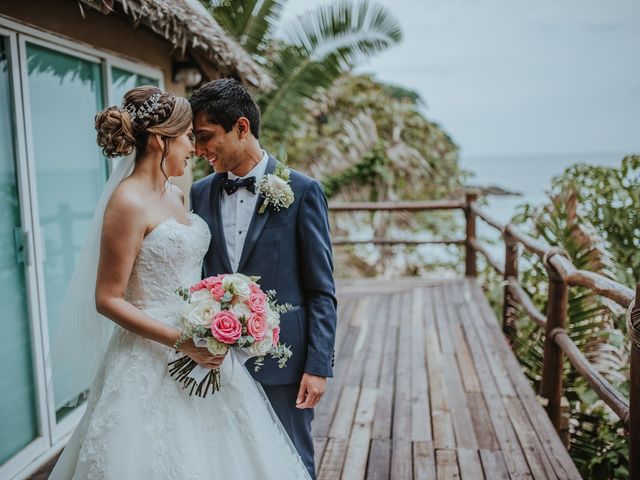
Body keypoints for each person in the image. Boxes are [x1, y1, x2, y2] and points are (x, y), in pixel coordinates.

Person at [49, 86, 311, 479]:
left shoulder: (177, 194)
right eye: (189, 137)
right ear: (160, 140)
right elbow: (107, 298)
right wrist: (183, 341)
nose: (194, 149)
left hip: (205, 353)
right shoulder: (127, 203)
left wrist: (223, 312)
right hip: (150, 357)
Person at [189, 78, 338, 479]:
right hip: (216, 360)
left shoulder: (303, 191)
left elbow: (322, 290)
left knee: (291, 462)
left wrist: (319, 366)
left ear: (241, 127)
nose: (198, 150)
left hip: (283, 362)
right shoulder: (198, 193)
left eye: (205, 137)